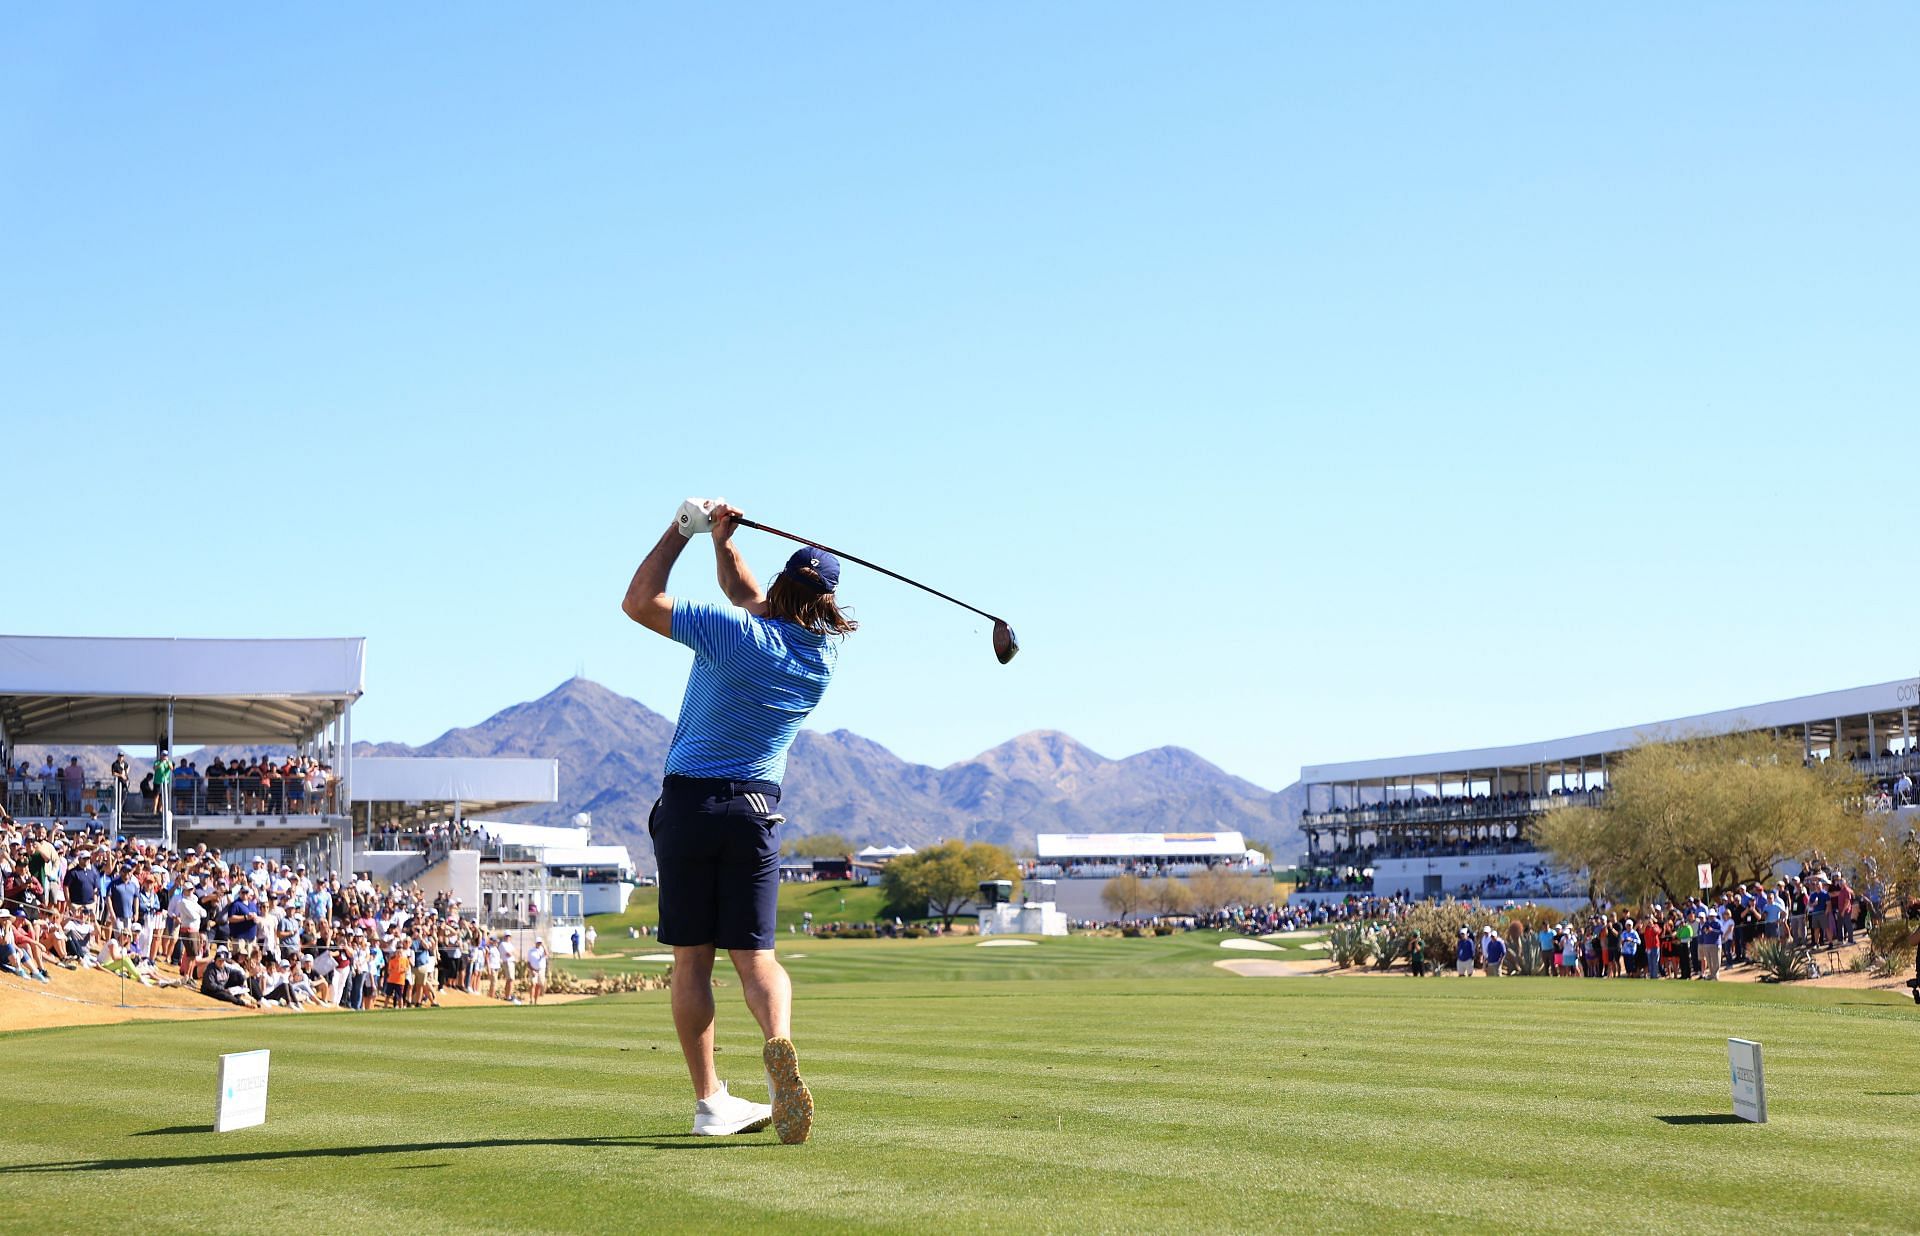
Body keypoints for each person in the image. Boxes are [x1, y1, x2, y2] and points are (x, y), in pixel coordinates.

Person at [622, 498, 849, 1143]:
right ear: (828, 607)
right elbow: (745, 592)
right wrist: (726, 543)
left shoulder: (734, 632)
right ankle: (778, 1045)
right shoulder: (818, 663)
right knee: (757, 960)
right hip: (755, 812)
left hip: (689, 808)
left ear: (780, 588)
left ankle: (709, 1102)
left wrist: (684, 531)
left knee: (692, 962)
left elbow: (639, 602)